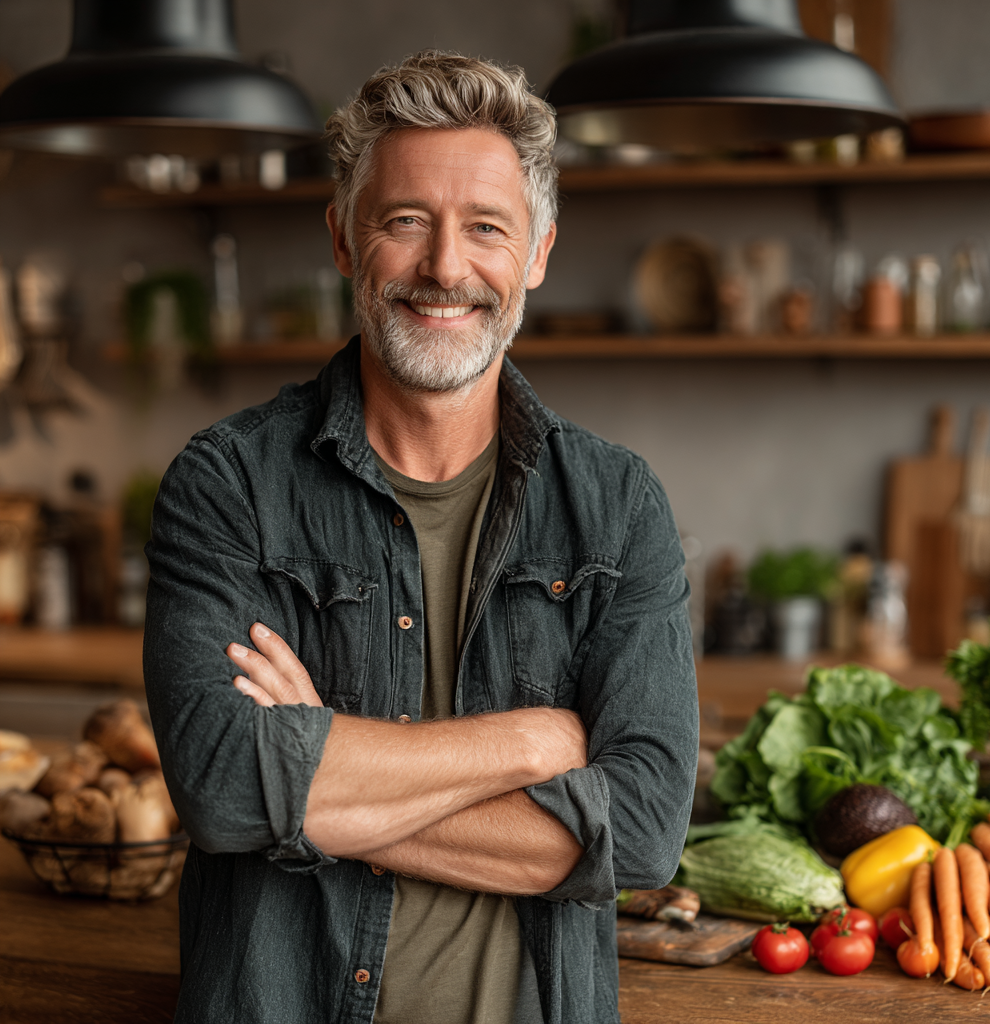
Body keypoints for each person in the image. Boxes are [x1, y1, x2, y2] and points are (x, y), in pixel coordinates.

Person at [144, 50, 698, 1024]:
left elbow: (645, 831)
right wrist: (536, 740)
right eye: (406, 221)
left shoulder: (616, 507)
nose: (446, 267)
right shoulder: (228, 483)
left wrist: (318, 777)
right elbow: (228, 789)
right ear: (345, 240)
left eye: (485, 228)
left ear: (536, 252)